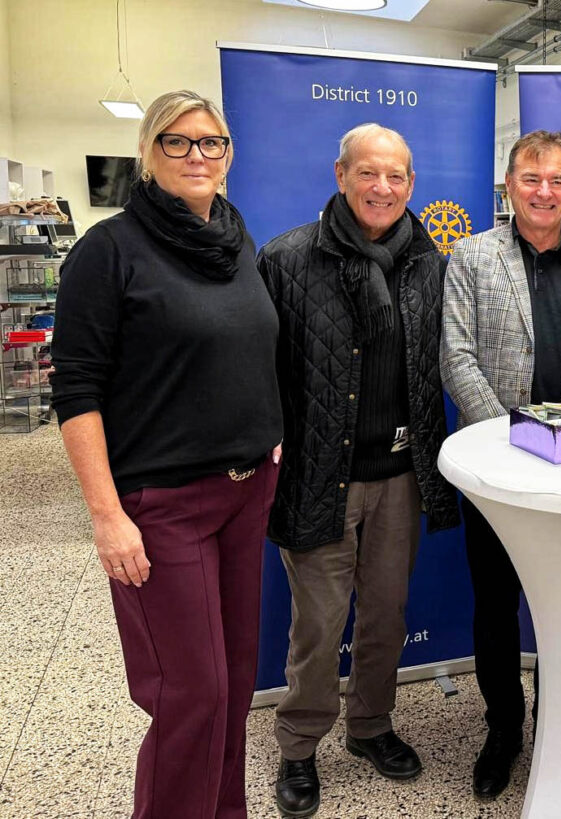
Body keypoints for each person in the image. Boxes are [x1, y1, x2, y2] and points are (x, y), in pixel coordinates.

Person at [50, 90, 283, 819]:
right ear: (148, 154)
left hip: (246, 491)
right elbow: (76, 388)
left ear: (229, 153)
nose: (196, 155)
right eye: (176, 142)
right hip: (161, 506)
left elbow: (247, 345)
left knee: (235, 682)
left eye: (211, 141)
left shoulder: (237, 240)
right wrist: (105, 515)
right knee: (191, 693)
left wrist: (267, 426)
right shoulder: (108, 250)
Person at [259, 123, 459, 818]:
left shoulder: (429, 261)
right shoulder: (287, 259)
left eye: (396, 176)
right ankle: (299, 745)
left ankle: (371, 726)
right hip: (319, 475)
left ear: (411, 185)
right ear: (341, 175)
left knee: (384, 615)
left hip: (401, 474)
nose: (382, 187)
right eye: (368, 173)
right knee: (318, 625)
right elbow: (260, 366)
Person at [441, 130, 561, 799]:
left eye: (557, 180)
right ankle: (503, 729)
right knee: (495, 606)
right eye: (531, 178)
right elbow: (457, 357)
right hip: (496, 474)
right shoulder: (471, 257)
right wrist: (510, 443)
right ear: (509, 184)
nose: (544, 191)